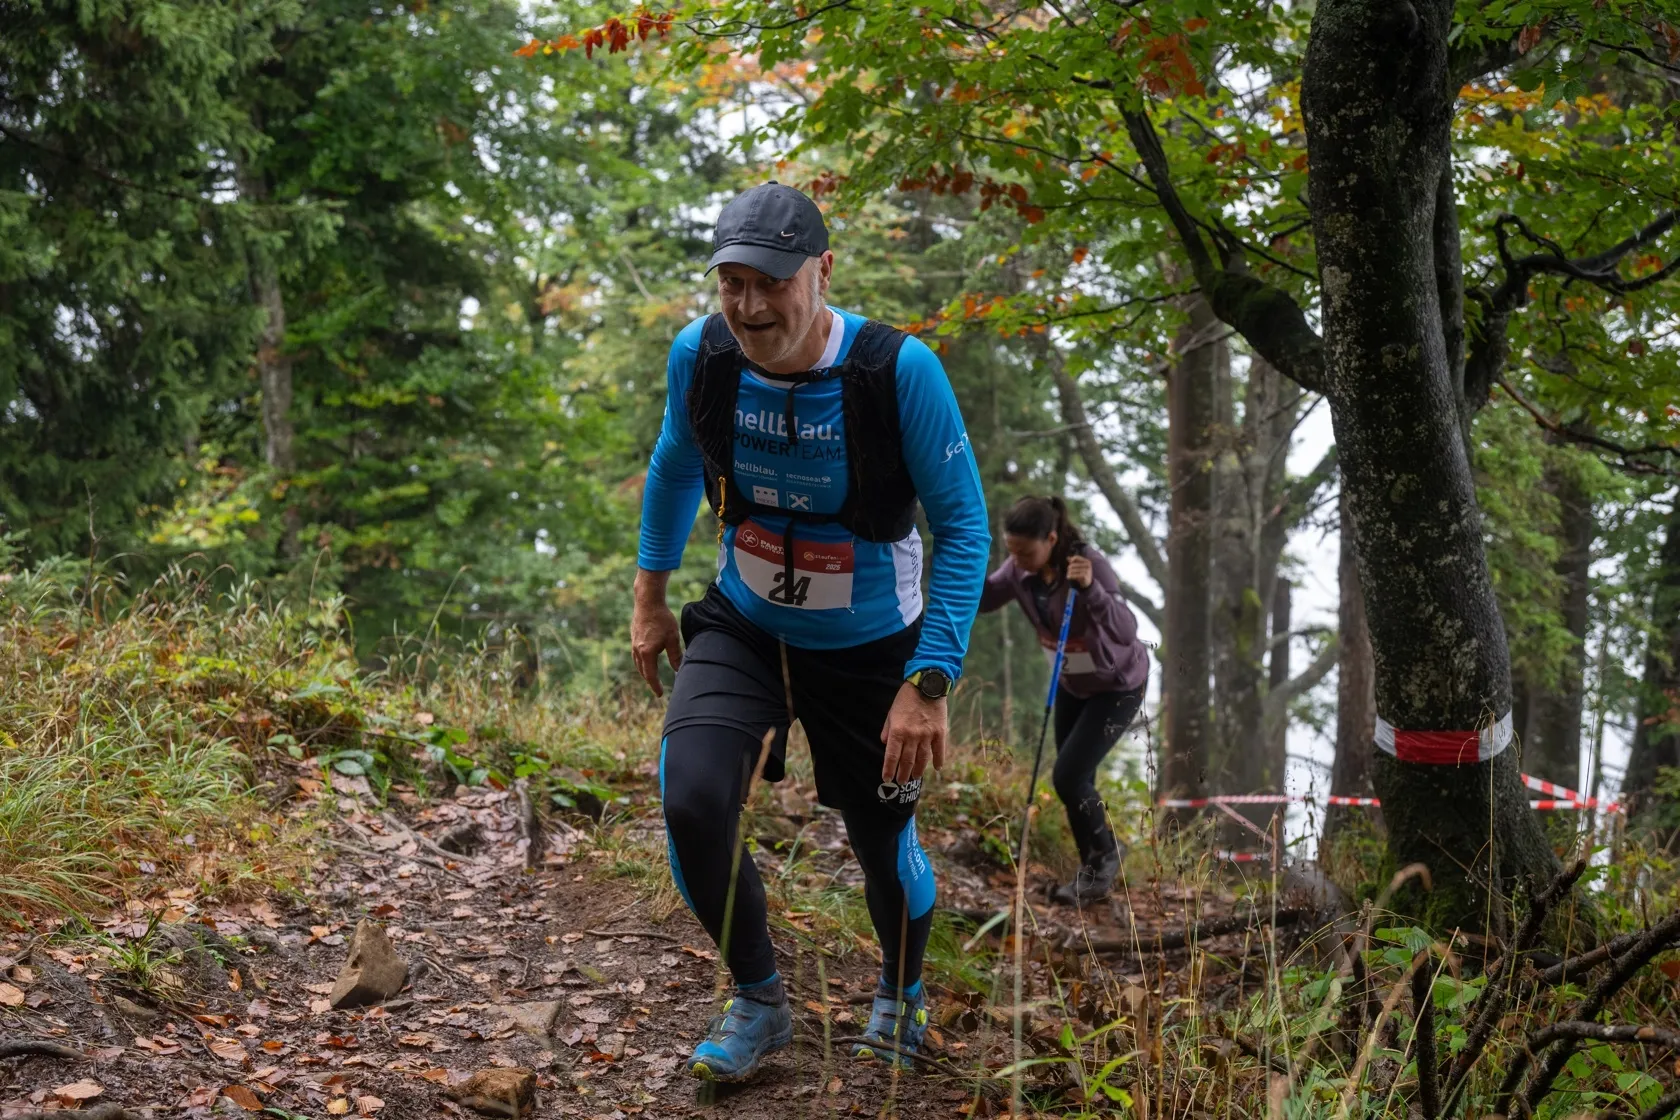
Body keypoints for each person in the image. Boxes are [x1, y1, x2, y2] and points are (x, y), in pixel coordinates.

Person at [631, 182, 990, 1082]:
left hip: (874, 650)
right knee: (691, 799)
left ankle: (900, 994)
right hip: (745, 626)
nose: (751, 307)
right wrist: (649, 596)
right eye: (732, 284)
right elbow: (675, 465)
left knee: (881, 846)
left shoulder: (897, 371)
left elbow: (965, 527)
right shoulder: (702, 356)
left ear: (823, 271)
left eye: (772, 283)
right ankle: (757, 1000)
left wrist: (929, 677)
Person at [980, 496, 1149, 906]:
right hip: (1072, 684)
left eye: (1025, 551)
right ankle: (1096, 863)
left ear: (1051, 538)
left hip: (1117, 686)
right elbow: (984, 599)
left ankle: (1103, 861)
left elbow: (1127, 630)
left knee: (1068, 777)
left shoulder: (1088, 565)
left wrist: (1090, 590)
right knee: (1074, 780)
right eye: (1010, 551)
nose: (1016, 560)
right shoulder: (1020, 571)